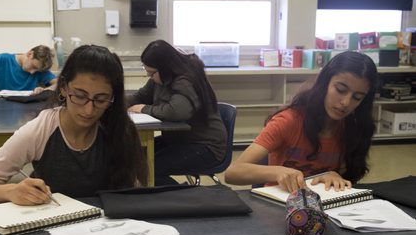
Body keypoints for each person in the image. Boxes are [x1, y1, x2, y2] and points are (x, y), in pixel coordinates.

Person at [0, 45, 148, 205]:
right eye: (80, 96)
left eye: (101, 99)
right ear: (64, 88)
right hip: (54, 232)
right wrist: (10, 191)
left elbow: (134, 191)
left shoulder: (119, 129)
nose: (89, 110)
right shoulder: (40, 130)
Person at [225, 51, 378, 193]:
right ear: (325, 83)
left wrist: (335, 177)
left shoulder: (354, 128)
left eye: (357, 97)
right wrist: (277, 171)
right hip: (280, 205)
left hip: (320, 207)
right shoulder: (289, 121)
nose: (346, 102)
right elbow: (233, 173)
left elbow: (348, 179)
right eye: (340, 89)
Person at [127, 39, 227, 185]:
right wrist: (115, 104)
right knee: (136, 155)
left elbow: (177, 111)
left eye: (151, 73)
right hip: (180, 140)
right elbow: (139, 96)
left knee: (149, 169)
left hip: (205, 146)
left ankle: (182, 200)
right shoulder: (160, 77)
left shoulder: (185, 80)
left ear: (165, 67)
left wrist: (143, 108)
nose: (150, 77)